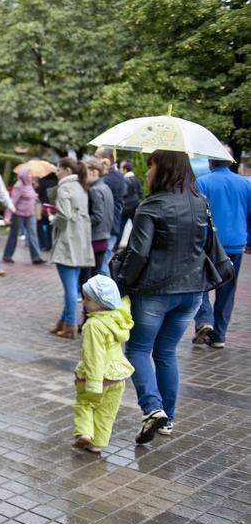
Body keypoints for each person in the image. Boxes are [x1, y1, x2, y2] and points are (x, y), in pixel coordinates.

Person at [116, 150, 210, 443]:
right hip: (192, 291)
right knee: (166, 353)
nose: (147, 171)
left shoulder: (151, 207)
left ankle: (152, 408)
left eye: (152, 165)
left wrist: (121, 284)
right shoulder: (200, 202)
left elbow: (138, 254)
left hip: (155, 291)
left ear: (164, 169)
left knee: (137, 350)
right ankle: (167, 420)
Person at [193, 146, 251, 349]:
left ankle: (204, 320)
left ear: (211, 162)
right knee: (227, 291)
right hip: (235, 245)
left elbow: (197, 215)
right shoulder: (245, 184)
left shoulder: (202, 182)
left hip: (208, 244)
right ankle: (219, 336)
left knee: (200, 284)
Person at [72, 275, 134, 454]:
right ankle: (97, 443)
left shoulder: (93, 325)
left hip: (98, 375)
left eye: (88, 299)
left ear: (101, 302)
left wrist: (93, 382)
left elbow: (94, 356)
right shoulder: (117, 318)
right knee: (107, 412)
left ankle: (84, 433)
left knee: (84, 403)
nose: (83, 302)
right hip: (117, 377)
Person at [50, 157, 93, 339]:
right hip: (81, 242)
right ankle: (64, 320)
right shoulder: (81, 187)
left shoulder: (65, 187)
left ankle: (70, 325)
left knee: (69, 289)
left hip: (68, 242)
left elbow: (64, 214)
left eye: (58, 169)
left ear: (67, 170)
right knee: (73, 286)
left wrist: (53, 220)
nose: (56, 172)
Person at [2, 166, 45, 265]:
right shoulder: (18, 186)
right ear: (23, 175)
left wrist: (34, 194)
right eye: (28, 174)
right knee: (14, 234)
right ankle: (7, 256)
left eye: (31, 174)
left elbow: (30, 195)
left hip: (30, 214)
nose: (30, 176)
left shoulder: (30, 185)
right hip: (19, 214)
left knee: (33, 234)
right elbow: (12, 201)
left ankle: (36, 257)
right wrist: (7, 216)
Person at [95, 147, 126, 270]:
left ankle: (110, 290)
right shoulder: (109, 175)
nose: (93, 159)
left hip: (109, 227)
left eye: (96, 156)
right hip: (106, 227)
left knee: (102, 266)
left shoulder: (113, 177)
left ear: (106, 160)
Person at [84, 158, 115, 278]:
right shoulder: (105, 187)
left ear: (94, 172)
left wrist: (82, 221)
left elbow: (97, 216)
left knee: (90, 277)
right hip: (104, 236)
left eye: (85, 171)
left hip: (95, 238)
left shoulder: (95, 190)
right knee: (96, 275)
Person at [37, 170, 59, 251]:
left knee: (39, 224)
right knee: (51, 226)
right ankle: (50, 244)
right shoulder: (57, 182)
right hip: (54, 207)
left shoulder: (42, 182)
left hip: (44, 207)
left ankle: (43, 243)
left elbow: (39, 194)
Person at [120, 160, 143, 236]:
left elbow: (123, 193)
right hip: (135, 206)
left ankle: (115, 246)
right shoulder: (137, 180)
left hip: (126, 207)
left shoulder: (124, 180)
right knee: (137, 228)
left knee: (121, 227)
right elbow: (140, 193)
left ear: (125, 170)